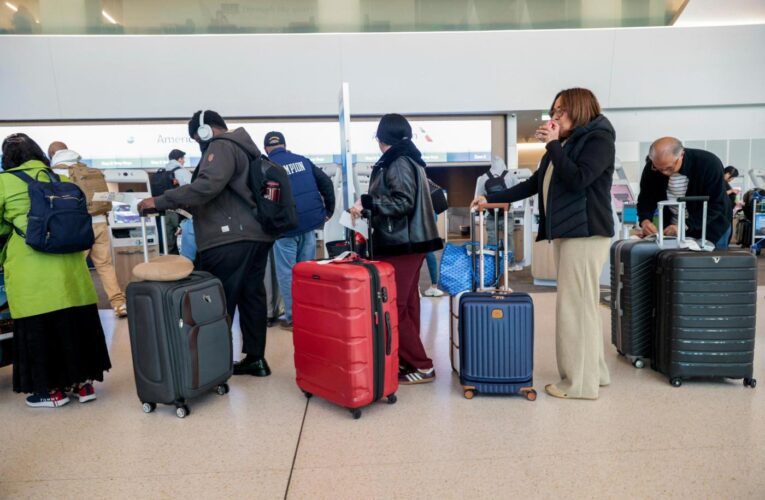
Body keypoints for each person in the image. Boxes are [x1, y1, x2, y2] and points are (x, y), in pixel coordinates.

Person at [472, 88, 615, 400]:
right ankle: (595, 373)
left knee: (574, 308)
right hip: (573, 232)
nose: (555, 116)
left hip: (586, 233)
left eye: (562, 110)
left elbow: (578, 179)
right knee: (583, 306)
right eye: (554, 110)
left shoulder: (598, 138)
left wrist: (551, 144)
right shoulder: (566, 144)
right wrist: (492, 198)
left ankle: (578, 384)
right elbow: (534, 184)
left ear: (579, 109)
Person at [137, 110, 275, 377]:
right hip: (255, 235)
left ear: (205, 131)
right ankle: (255, 359)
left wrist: (160, 200)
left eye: (196, 137)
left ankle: (215, 363)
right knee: (251, 297)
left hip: (229, 238)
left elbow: (207, 186)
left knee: (218, 301)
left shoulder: (221, 146)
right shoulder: (248, 149)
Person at [0, 133, 111, 407]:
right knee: (75, 325)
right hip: (71, 269)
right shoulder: (60, 179)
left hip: (32, 268)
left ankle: (52, 392)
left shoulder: (3, 182)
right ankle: (84, 386)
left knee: (41, 329)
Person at [350, 114, 443, 384]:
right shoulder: (409, 158)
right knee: (408, 303)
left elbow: (402, 202)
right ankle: (408, 359)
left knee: (394, 306)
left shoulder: (398, 161)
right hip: (410, 242)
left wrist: (367, 204)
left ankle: (421, 365)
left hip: (402, 243)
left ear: (382, 139)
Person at [263, 131, 334, 331]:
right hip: (309, 225)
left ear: (266, 149)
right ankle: (309, 313)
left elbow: (270, 201)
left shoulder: (269, 167)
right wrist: (328, 211)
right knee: (307, 272)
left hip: (286, 230)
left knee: (287, 273)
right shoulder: (302, 161)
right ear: (285, 145)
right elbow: (326, 183)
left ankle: (295, 317)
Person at [49, 144, 128, 318]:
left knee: (75, 266)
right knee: (105, 265)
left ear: (52, 154)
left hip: (77, 225)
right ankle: (119, 303)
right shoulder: (88, 170)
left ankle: (78, 308)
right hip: (100, 221)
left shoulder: (55, 173)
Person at [637, 137, 731, 249]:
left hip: (711, 226)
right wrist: (645, 221)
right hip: (673, 230)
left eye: (669, 168)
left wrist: (684, 225)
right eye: (659, 168)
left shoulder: (708, 163)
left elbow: (716, 204)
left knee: (710, 264)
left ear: (681, 154)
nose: (665, 173)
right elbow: (645, 199)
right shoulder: (651, 168)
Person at [474, 156, 519, 249]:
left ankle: (492, 261)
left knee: (492, 237)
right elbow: (519, 193)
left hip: (491, 213)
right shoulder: (511, 175)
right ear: (503, 164)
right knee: (508, 237)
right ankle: (509, 261)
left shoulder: (484, 177)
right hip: (508, 212)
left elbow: (479, 197)